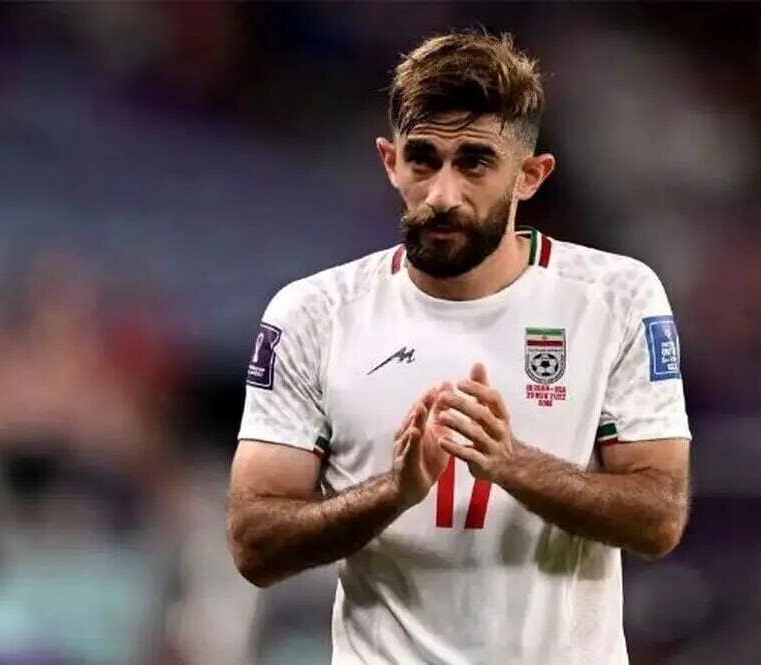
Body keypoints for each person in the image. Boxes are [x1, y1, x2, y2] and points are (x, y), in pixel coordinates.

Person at [227, 30, 691, 665]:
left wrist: (514, 464)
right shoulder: (313, 315)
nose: (443, 195)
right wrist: (393, 492)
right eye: (423, 160)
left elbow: (659, 517)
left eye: (474, 163)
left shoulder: (615, 299)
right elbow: (254, 542)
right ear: (390, 162)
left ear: (530, 176)